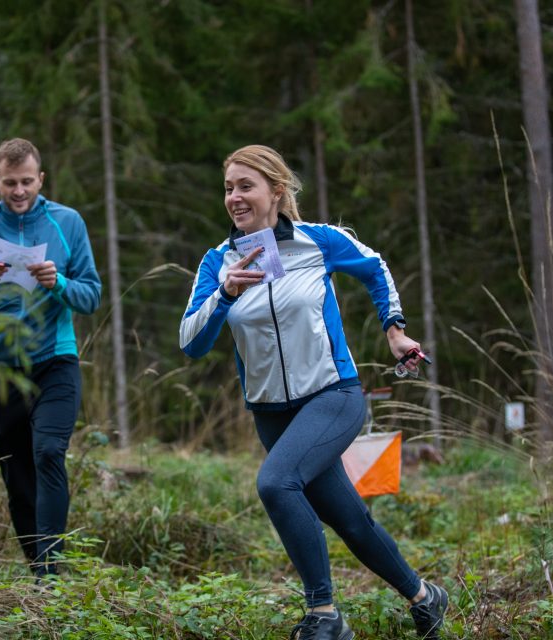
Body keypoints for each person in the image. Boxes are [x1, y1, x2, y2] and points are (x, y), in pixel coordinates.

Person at [179, 145, 448, 640]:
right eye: (228, 188)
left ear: (276, 192)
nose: (234, 197)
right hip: (270, 412)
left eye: (245, 186)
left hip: (332, 395)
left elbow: (375, 266)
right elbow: (191, 342)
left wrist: (394, 329)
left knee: (276, 484)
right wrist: (225, 295)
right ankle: (425, 598)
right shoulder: (217, 262)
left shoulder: (317, 241)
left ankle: (324, 614)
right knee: (349, 519)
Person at [0, 138, 101, 578]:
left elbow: (92, 295)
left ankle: (53, 572)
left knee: (48, 452)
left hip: (55, 360)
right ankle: (39, 574)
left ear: (41, 179)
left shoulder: (67, 222)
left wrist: (59, 283)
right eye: (10, 183)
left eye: (27, 181)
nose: (19, 191)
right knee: (18, 476)